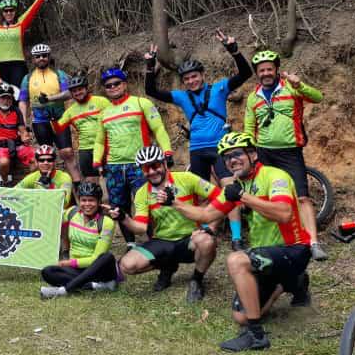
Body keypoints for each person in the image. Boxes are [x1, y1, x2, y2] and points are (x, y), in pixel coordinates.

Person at [172, 132, 312, 352]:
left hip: (293, 249)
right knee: (241, 315)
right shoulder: (235, 187)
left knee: (237, 260)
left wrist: (243, 197)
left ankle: (256, 336)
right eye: (227, 158)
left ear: (253, 154)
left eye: (237, 154)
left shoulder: (275, 176)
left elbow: (284, 213)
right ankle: (292, 283)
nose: (232, 160)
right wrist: (175, 203)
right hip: (266, 256)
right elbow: (206, 215)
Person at [144, 29, 252, 249]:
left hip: (220, 148)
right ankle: (202, 230)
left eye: (194, 76)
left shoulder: (219, 88)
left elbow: (245, 74)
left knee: (229, 189)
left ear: (202, 75)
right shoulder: (181, 96)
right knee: (198, 194)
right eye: (186, 79)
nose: (191, 81)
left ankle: (237, 237)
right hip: (197, 150)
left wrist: (234, 50)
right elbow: (151, 90)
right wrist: (149, 67)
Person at [244, 50, 327, 260]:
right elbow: (248, 128)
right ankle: (272, 241)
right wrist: (249, 151)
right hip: (263, 152)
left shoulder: (291, 87)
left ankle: (314, 243)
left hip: (290, 151)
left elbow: (318, 97)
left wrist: (299, 84)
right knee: (264, 198)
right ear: (257, 73)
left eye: (269, 69)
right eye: (261, 70)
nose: (266, 73)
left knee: (302, 197)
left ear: (276, 70)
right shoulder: (253, 97)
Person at [114, 146, 218, 301]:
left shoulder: (186, 179)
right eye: (146, 168)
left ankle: (196, 280)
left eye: (155, 166)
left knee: (207, 241)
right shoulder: (142, 192)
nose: (151, 172)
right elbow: (141, 228)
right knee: (127, 265)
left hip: (190, 239)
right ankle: (167, 267)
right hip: (163, 241)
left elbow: (221, 197)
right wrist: (124, 218)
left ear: (164, 163)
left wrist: (209, 227)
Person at [92, 67, 173, 242]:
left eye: (116, 83)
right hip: (113, 166)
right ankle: (130, 243)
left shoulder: (141, 103)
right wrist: (97, 161)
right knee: (119, 207)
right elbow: (99, 141)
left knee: (148, 202)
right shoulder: (104, 113)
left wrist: (167, 150)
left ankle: (155, 239)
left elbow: (158, 128)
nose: (113, 87)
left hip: (141, 164)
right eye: (108, 86)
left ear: (125, 84)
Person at [40, 181, 119, 298]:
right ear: (79, 201)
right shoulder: (72, 213)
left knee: (107, 257)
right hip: (77, 270)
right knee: (47, 272)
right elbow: (52, 215)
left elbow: (95, 259)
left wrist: (67, 262)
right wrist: (48, 194)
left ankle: (64, 291)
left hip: (98, 270)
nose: (87, 204)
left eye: (91, 200)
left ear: (98, 202)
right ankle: (96, 286)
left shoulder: (106, 222)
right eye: (83, 200)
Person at [19, 43, 72, 173]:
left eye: (44, 55)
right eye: (38, 56)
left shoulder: (59, 74)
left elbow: (69, 93)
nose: (41, 58)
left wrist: (50, 98)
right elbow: (23, 101)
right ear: (33, 59)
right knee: (45, 154)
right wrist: (24, 124)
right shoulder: (27, 78)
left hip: (59, 119)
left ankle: (74, 182)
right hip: (39, 121)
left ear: (49, 57)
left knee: (67, 152)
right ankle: (50, 182)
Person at [50, 73, 110, 183]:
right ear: (71, 94)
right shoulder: (71, 111)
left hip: (105, 145)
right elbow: (58, 129)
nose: (77, 93)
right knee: (90, 179)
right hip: (85, 148)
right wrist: (53, 120)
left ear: (86, 88)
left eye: (80, 89)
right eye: (74, 91)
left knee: (108, 178)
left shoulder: (101, 101)